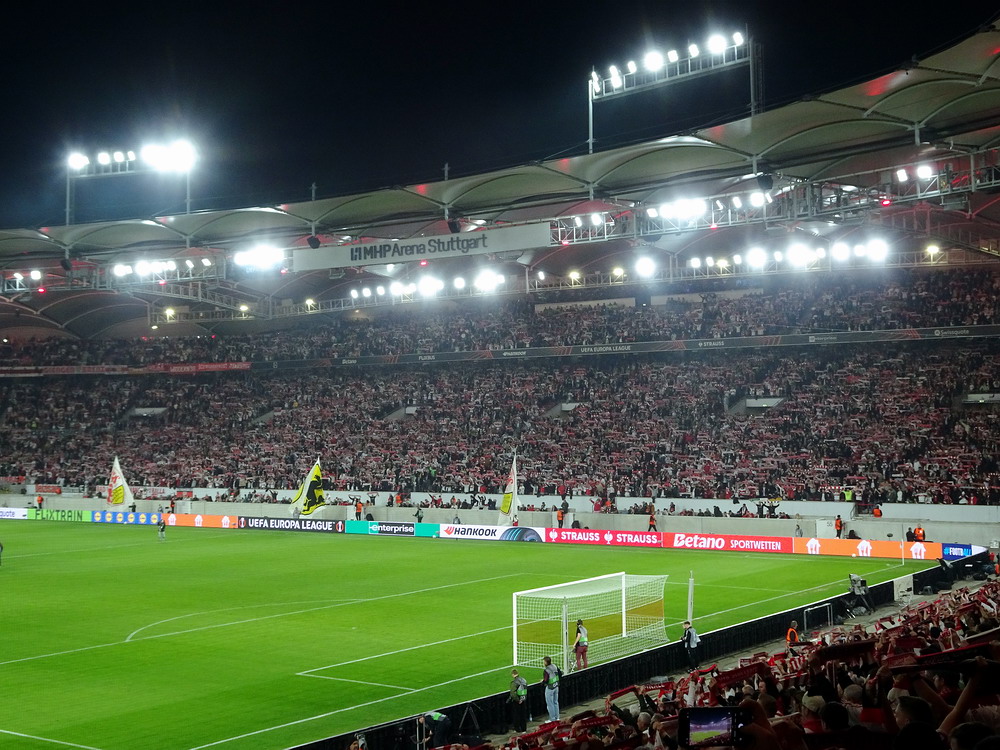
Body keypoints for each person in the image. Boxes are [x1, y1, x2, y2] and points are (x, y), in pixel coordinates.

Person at [541, 655, 560, 722]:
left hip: (550, 688)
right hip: (556, 686)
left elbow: (546, 680)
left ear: (546, 662)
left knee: (550, 704)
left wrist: (542, 681)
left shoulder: (546, 670)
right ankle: (557, 717)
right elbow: (560, 673)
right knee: (555, 702)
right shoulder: (554, 666)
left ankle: (552, 719)